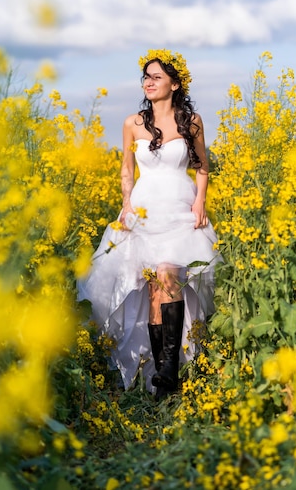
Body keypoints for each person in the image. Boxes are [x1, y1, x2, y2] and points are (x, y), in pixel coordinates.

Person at [77, 49, 220, 398]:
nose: (149, 82)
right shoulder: (132, 123)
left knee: (170, 274)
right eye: (146, 76)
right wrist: (126, 204)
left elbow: (202, 166)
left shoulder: (192, 120)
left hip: (180, 208)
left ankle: (168, 372)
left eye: (156, 76)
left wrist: (200, 201)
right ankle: (162, 380)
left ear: (175, 83)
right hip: (143, 210)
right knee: (154, 289)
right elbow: (127, 170)